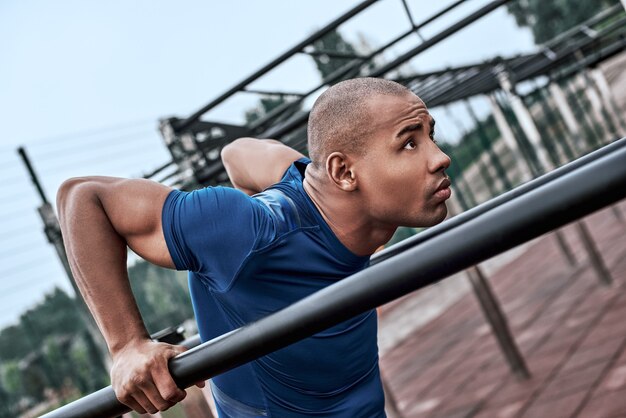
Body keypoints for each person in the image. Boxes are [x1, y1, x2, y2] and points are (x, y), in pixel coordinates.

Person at [56, 77, 451, 417]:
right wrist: (127, 346)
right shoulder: (246, 228)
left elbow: (237, 153)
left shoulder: (305, 179)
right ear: (344, 171)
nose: (440, 157)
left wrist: (346, 206)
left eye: (428, 135)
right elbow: (82, 197)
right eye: (410, 145)